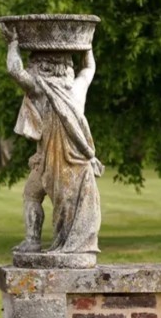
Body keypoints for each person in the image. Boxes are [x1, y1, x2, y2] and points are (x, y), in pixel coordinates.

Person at [6, 32, 102, 255]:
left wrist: (13, 44)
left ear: (43, 68)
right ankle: (35, 241)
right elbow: (88, 70)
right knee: (45, 198)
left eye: (34, 64)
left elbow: (14, 70)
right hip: (79, 164)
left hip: (55, 163)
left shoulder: (41, 90)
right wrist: (87, 45)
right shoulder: (77, 89)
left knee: (31, 195)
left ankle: (32, 240)